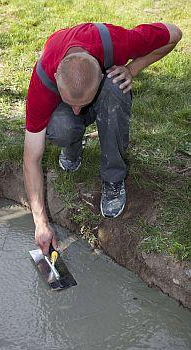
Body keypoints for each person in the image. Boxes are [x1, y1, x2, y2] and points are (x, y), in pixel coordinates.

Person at [24, 21, 182, 255]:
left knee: (116, 89)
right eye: (72, 104)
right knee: (62, 126)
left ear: (99, 74)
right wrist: (41, 223)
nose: (78, 111)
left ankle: (113, 179)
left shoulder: (118, 42)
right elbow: (31, 159)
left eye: (82, 105)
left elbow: (174, 33)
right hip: (62, 101)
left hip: (105, 90)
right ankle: (72, 144)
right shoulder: (43, 81)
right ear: (57, 76)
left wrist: (132, 68)